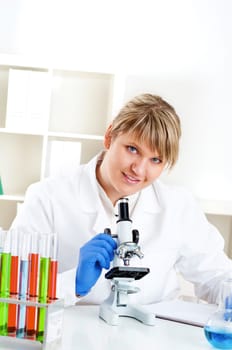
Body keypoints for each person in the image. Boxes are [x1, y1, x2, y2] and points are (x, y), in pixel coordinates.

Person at [11, 93, 232, 306]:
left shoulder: (178, 205)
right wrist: (73, 284)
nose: (138, 169)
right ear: (109, 137)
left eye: (155, 159)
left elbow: (216, 276)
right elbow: (15, 288)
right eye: (132, 149)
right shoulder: (47, 197)